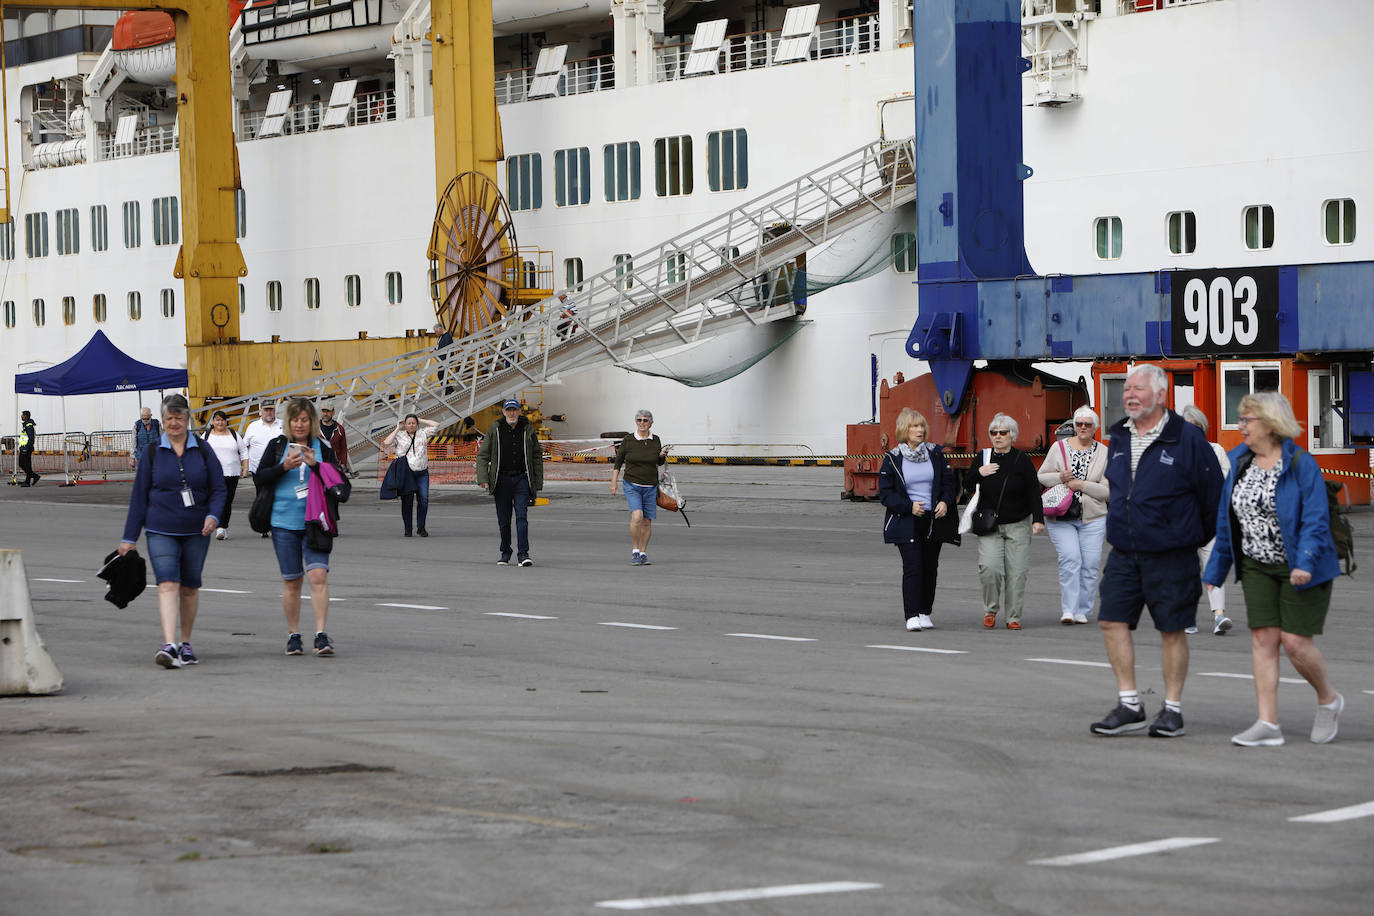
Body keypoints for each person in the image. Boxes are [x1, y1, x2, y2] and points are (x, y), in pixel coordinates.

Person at [1203, 392, 1344, 747]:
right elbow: (1227, 520)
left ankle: (1329, 699)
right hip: (1256, 564)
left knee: (1295, 643)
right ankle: (1268, 722)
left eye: (1247, 420)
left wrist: (1305, 563)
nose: (1241, 427)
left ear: (1269, 423)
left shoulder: (1300, 464)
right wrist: (1215, 571)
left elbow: (1315, 520)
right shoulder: (1238, 461)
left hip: (1301, 565)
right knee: (1263, 639)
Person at [1090, 364, 1222, 739]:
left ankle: (1172, 710)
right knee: (1111, 620)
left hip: (1172, 553)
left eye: (1138, 389)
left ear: (1161, 395)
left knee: (1172, 629)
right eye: (1127, 388)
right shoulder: (1118, 437)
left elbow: (1213, 497)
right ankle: (1130, 704)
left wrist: (1187, 535)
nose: (1129, 394)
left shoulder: (1188, 440)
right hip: (1124, 552)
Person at [117, 394, 226, 668]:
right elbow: (139, 496)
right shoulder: (153, 452)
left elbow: (219, 488)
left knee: (189, 587)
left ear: (188, 419)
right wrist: (129, 537)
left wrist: (213, 515)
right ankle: (169, 644)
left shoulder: (203, 450)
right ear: (162, 421)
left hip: (196, 530)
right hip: (160, 528)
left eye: (179, 418)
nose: (174, 423)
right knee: (167, 583)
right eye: (169, 418)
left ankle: (185, 644)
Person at [254, 397, 343, 657]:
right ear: (288, 423)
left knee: (318, 576)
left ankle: (321, 634)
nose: (300, 424)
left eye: (304, 419)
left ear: (311, 422)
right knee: (292, 581)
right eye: (295, 420)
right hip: (283, 523)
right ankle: (293, 635)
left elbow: (340, 484)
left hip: (316, 522)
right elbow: (260, 477)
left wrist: (316, 465)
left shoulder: (323, 448)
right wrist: (284, 467)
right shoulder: (277, 446)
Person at [961, 412, 1045, 629]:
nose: (998, 436)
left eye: (1003, 433)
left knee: (1017, 573)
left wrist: (1038, 519)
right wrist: (979, 472)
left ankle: (1013, 616)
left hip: (1018, 524)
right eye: (994, 433)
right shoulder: (983, 457)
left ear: (1012, 435)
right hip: (989, 525)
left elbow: (1033, 491)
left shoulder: (1022, 460)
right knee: (990, 568)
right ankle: (990, 609)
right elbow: (968, 485)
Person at [878, 407, 956, 631]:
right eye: (914, 426)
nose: (919, 430)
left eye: (921, 426)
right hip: (906, 520)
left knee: (931, 567)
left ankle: (924, 612)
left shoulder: (935, 453)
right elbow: (886, 494)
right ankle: (911, 614)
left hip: (933, 519)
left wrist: (944, 502)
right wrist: (908, 506)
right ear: (905, 429)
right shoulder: (893, 458)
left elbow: (949, 484)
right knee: (913, 566)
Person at [1037, 406, 1109, 625]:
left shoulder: (1104, 452)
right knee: (1070, 559)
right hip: (1062, 515)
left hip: (1093, 517)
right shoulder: (1058, 448)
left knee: (1090, 564)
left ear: (1095, 428)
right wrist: (1060, 476)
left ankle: (1082, 610)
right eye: (1079, 424)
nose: (1083, 428)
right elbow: (1041, 476)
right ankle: (1068, 609)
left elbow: (1108, 491)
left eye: (1088, 424)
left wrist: (1082, 485)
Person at [1181, 405, 1234, 636]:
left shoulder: (1217, 450)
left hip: (1211, 522)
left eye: (1195, 428)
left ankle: (1219, 615)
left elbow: (1226, 485)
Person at [474, 398, 543, 565]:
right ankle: (505, 552)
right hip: (501, 479)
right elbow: (483, 455)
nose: (512, 413)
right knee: (504, 520)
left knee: (522, 517)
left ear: (519, 411)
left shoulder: (528, 430)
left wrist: (537, 482)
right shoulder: (495, 429)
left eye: (514, 410)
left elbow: (536, 456)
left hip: (521, 479)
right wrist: (483, 478)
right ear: (504, 412)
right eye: (508, 410)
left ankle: (523, 554)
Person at [610, 409, 669, 566]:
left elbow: (658, 462)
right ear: (636, 422)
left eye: (645, 420)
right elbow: (618, 461)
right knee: (637, 517)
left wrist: (662, 455)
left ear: (651, 422)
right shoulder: (629, 440)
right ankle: (635, 551)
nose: (642, 423)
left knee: (647, 522)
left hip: (650, 486)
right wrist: (614, 482)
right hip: (632, 484)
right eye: (639, 420)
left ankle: (643, 553)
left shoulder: (655, 440)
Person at [383, 414, 439, 537]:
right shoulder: (400, 435)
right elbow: (386, 443)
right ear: (405, 424)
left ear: (417, 424)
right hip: (406, 473)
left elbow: (436, 425)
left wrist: (421, 420)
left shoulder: (423, 433)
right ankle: (408, 528)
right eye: (409, 423)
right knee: (407, 501)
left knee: (423, 499)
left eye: (414, 423)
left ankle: (421, 527)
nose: (411, 425)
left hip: (422, 472)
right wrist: (397, 428)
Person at [205, 410, 249, 540]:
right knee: (216, 500)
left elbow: (244, 451)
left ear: (226, 421)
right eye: (217, 420)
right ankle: (219, 527)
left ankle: (223, 527)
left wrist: (245, 468)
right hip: (213, 474)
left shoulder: (234, 435)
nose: (220, 422)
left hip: (232, 473)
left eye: (222, 420)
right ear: (213, 422)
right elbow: (198, 450)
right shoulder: (207, 435)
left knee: (227, 501)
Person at [243, 401, 282, 538]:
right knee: (262, 496)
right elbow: (244, 447)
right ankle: (263, 525)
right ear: (260, 411)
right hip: (259, 470)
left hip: (279, 469)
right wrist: (245, 466)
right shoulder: (253, 427)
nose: (269, 412)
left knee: (278, 497)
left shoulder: (282, 425)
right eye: (266, 410)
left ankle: (276, 524)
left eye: (271, 409)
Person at [317, 401, 353, 476]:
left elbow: (343, 448)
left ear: (333, 412)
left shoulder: (339, 429)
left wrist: (343, 463)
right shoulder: (314, 428)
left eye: (328, 411)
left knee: (335, 487)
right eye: (323, 411)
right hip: (319, 466)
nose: (325, 414)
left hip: (335, 466)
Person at [17, 409, 39, 486]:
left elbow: (31, 438)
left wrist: (26, 447)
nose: (21, 416)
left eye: (22, 415)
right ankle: (27, 481)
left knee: (22, 464)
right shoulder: (26, 425)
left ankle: (35, 476)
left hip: (26, 448)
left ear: (26, 416)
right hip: (24, 447)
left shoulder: (29, 426)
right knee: (27, 465)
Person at [434, 324, 454, 395]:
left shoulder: (447, 336)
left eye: (436, 331)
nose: (436, 333)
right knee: (442, 374)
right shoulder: (441, 337)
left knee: (441, 374)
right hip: (442, 359)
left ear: (440, 329)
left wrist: (436, 352)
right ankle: (448, 390)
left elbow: (445, 349)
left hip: (445, 359)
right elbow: (439, 347)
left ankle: (449, 390)